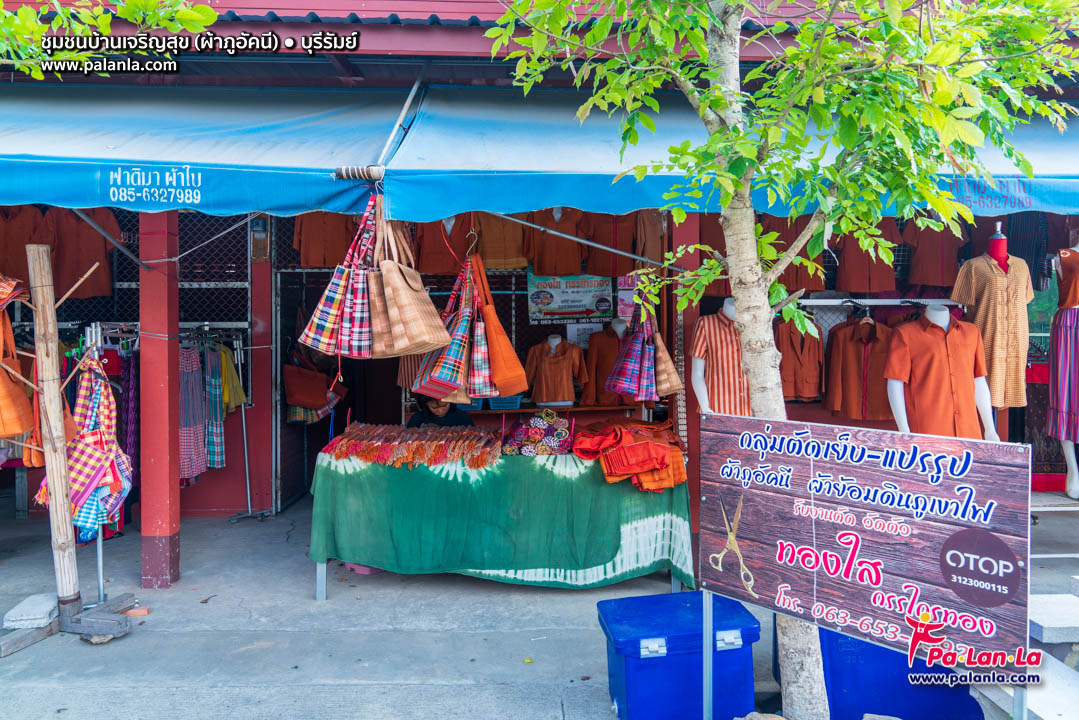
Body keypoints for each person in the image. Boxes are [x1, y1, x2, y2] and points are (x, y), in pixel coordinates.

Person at [406, 394, 475, 428]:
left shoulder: (463, 417)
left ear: (450, 401)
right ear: (426, 404)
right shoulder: (417, 419)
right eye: (434, 408)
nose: (440, 411)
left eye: (444, 406)